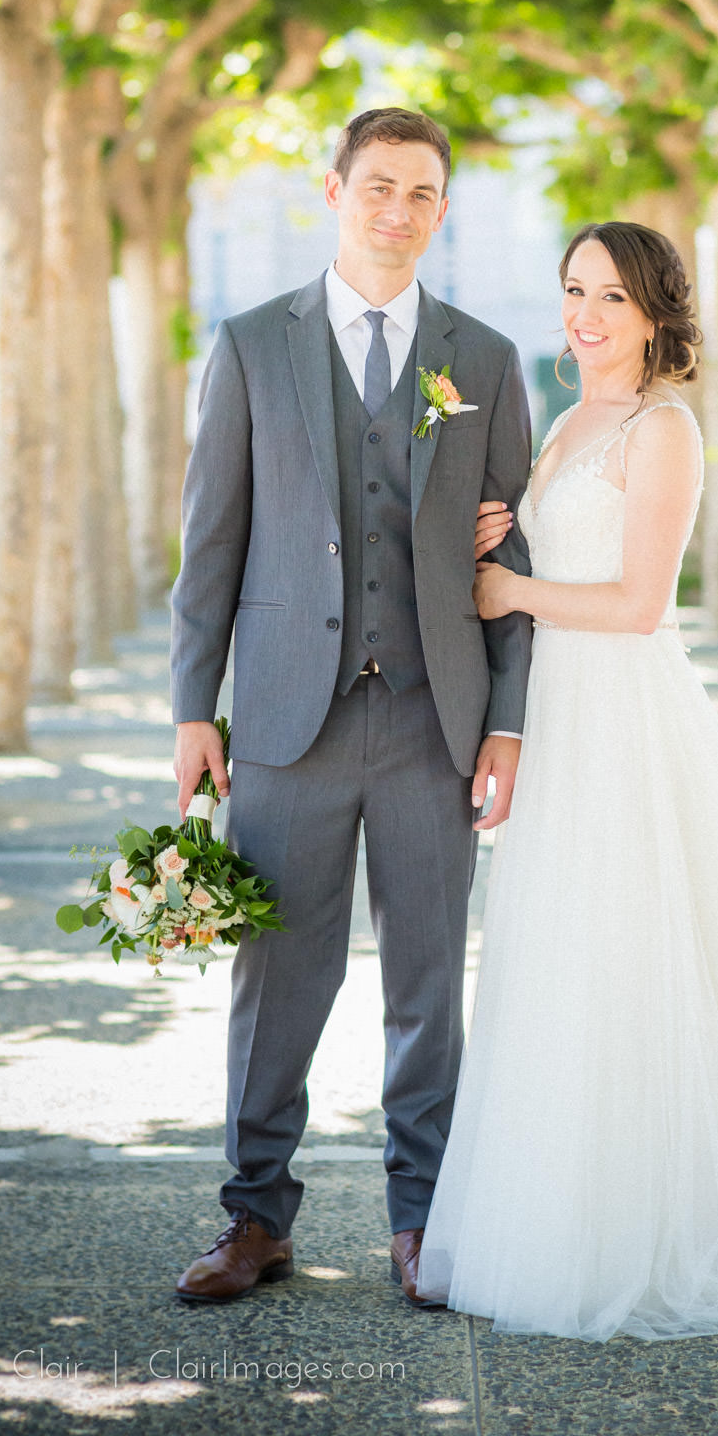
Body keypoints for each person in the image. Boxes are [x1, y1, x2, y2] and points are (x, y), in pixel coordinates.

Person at [416, 220, 718, 1341]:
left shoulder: (665, 428)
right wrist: (506, 535)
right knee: (562, 957)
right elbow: (557, 550)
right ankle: (551, 1210)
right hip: (562, 718)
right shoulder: (569, 418)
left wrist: (512, 594)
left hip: (629, 719)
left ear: (655, 317)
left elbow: (640, 604)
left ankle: (648, 1223)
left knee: (633, 954)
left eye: (612, 299)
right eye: (574, 290)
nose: (585, 316)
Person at [170, 108, 532, 1305]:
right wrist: (194, 707)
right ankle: (254, 1218)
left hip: (435, 721)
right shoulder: (247, 344)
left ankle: (424, 1220)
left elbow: (508, 563)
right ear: (333, 192)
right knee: (277, 981)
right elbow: (210, 543)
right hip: (284, 722)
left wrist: (508, 722)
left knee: (429, 987)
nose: (397, 209)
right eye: (377, 185)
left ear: (442, 210)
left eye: (422, 192)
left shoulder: (482, 360)